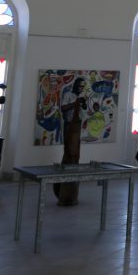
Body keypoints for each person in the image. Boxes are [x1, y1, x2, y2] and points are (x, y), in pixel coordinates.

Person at [54, 77, 87, 206]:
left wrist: (83, 104)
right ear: (75, 85)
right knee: (69, 153)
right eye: (80, 86)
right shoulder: (68, 95)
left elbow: (83, 112)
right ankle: (65, 190)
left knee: (75, 154)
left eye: (83, 86)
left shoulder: (81, 96)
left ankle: (71, 191)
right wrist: (76, 103)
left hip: (77, 126)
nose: (81, 88)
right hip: (69, 125)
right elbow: (63, 108)